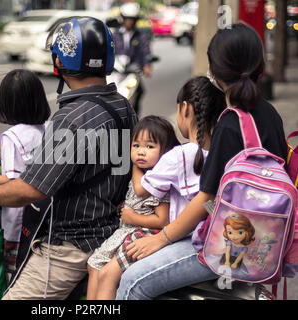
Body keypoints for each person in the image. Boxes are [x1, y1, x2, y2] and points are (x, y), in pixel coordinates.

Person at [0, 16, 137, 300]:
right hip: (112, 234)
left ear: (60, 62)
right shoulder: (123, 107)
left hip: (72, 246)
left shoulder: (72, 118)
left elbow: (29, 189)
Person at [116, 23, 289, 300]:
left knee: (132, 282)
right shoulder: (269, 114)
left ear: (215, 71)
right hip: (266, 242)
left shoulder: (230, 125)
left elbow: (205, 201)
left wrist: (161, 239)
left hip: (229, 247)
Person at [86, 115, 180, 300]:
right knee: (94, 265)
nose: (141, 152)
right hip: (128, 230)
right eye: (136, 146)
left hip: (144, 234)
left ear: (166, 152)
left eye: (149, 146)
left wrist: (130, 217)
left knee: (107, 274)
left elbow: (163, 220)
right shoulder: (144, 172)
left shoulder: (159, 181)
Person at [0, 69, 50, 279]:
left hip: (17, 221)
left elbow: (14, 181)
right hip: (42, 219)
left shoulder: (12, 137)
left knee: (12, 276)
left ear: (6, 103)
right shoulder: (47, 130)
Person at [112, 2, 152, 113]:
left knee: (140, 91)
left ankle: (135, 118)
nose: (130, 21)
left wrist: (147, 65)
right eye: (127, 18)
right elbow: (109, 50)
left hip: (132, 72)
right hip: (116, 72)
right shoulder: (115, 34)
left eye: (132, 19)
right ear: (123, 19)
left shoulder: (141, 36)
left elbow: (146, 52)